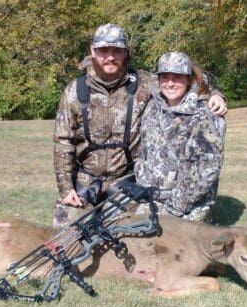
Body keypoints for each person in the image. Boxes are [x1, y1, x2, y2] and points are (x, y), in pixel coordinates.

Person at [53, 24, 227, 228]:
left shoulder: (145, 83)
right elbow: (63, 142)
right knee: (65, 237)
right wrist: (66, 187)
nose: (110, 57)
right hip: (86, 181)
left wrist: (213, 94)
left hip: (127, 183)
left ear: (125, 53)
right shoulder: (74, 91)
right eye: (103, 50)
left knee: (129, 238)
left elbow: (179, 80)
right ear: (92, 51)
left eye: (117, 50)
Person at [135, 51, 226, 222]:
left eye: (177, 77)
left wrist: (175, 207)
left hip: (187, 204)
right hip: (152, 197)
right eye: (165, 77)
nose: (170, 83)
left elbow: (208, 168)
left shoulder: (206, 114)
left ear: (188, 79)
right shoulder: (152, 107)